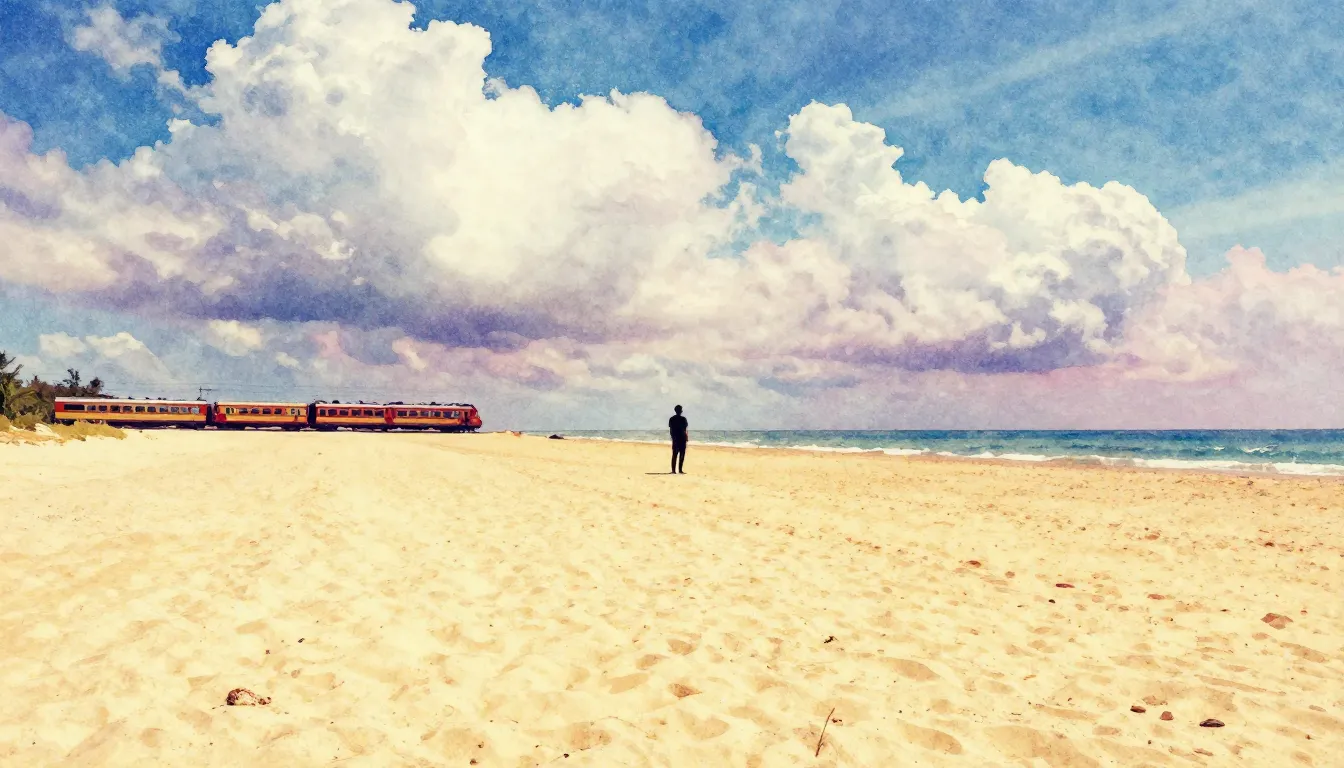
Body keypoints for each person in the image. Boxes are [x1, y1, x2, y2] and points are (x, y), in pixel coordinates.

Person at [669, 405, 688, 474]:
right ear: (681, 411)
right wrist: (686, 437)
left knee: (675, 454)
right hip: (682, 438)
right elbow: (685, 430)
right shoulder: (683, 419)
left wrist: (673, 437)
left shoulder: (672, 419)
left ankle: (674, 470)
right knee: (681, 455)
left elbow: (671, 430)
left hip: (676, 439)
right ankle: (680, 470)